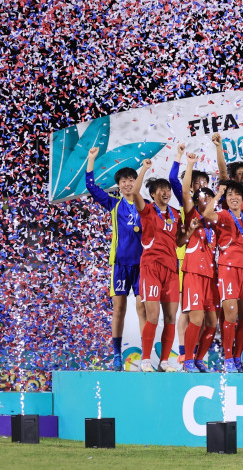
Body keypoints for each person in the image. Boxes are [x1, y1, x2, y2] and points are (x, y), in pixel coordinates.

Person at [85, 147, 147, 371]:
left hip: (142, 265)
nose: (128, 184)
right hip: (120, 265)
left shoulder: (146, 206)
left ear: (137, 182)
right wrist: (91, 159)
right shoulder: (113, 204)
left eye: (131, 180)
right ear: (118, 185)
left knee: (142, 309)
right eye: (124, 181)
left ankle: (146, 356)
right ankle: (117, 355)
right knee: (119, 309)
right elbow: (91, 187)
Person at [132, 159, 195, 372]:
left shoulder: (176, 214)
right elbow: (134, 192)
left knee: (170, 317)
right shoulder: (147, 210)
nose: (166, 192)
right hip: (151, 268)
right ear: (153, 194)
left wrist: (190, 231)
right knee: (152, 316)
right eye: (160, 189)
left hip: (171, 270)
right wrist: (144, 168)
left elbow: (179, 242)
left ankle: (165, 361)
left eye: (167, 189)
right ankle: (146, 359)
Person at [201, 179, 243, 373]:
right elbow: (206, 214)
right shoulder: (223, 215)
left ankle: (238, 356)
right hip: (228, 269)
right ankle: (228, 358)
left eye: (237, 194)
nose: (233, 198)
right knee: (231, 314)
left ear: (242, 198)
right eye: (229, 195)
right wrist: (218, 195)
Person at [179, 152, 219, 373]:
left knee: (212, 322)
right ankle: (187, 359)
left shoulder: (216, 221)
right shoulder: (192, 214)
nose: (205, 201)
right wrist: (190, 164)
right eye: (202, 198)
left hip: (211, 276)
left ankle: (199, 358)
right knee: (196, 318)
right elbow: (185, 191)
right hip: (194, 273)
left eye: (209, 198)